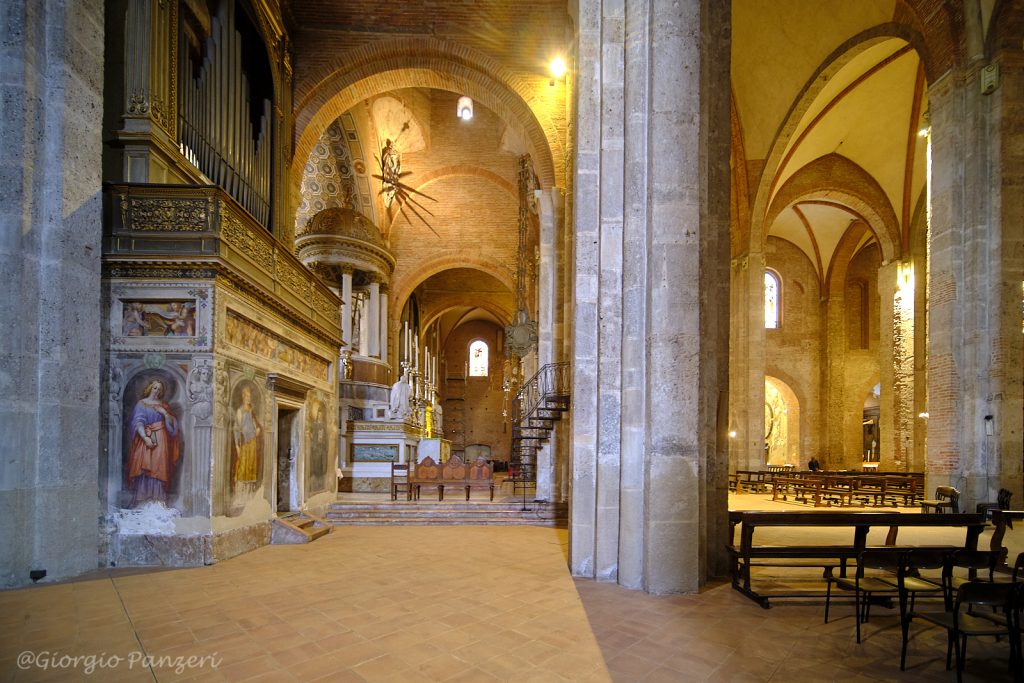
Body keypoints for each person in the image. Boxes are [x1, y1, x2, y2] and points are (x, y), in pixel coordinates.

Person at [125, 379, 180, 507]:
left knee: (159, 467)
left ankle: (158, 500)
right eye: (155, 388)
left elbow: (173, 427)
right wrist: (145, 438)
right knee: (144, 467)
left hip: (161, 438)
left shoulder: (164, 405)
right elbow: (138, 422)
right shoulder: (141, 404)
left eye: (160, 389)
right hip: (146, 437)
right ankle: (142, 501)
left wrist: (165, 413)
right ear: (150, 388)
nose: (157, 391)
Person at [233, 386, 261, 489]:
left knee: (251, 465)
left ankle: (250, 489)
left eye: (249, 396)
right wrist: (237, 445)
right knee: (243, 465)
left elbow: (255, 424)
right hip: (244, 442)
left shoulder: (251, 410)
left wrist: (257, 430)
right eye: (247, 396)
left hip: (252, 441)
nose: (249, 398)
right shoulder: (240, 411)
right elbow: (236, 428)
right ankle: (241, 490)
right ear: (243, 397)